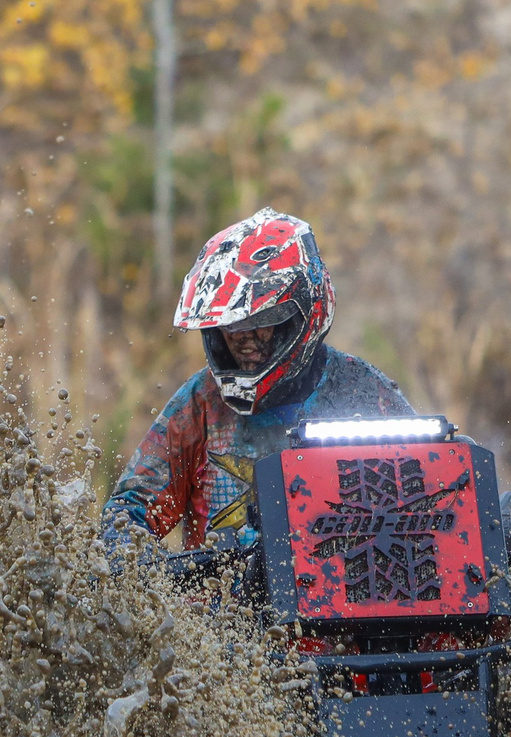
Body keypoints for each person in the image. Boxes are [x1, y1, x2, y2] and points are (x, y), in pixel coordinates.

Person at [102, 207, 414, 559]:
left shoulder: (365, 393)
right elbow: (130, 509)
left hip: (345, 602)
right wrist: (128, 556)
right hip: (218, 608)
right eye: (230, 326)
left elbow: (429, 506)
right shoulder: (202, 402)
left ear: (301, 315)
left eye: (261, 320)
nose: (242, 338)